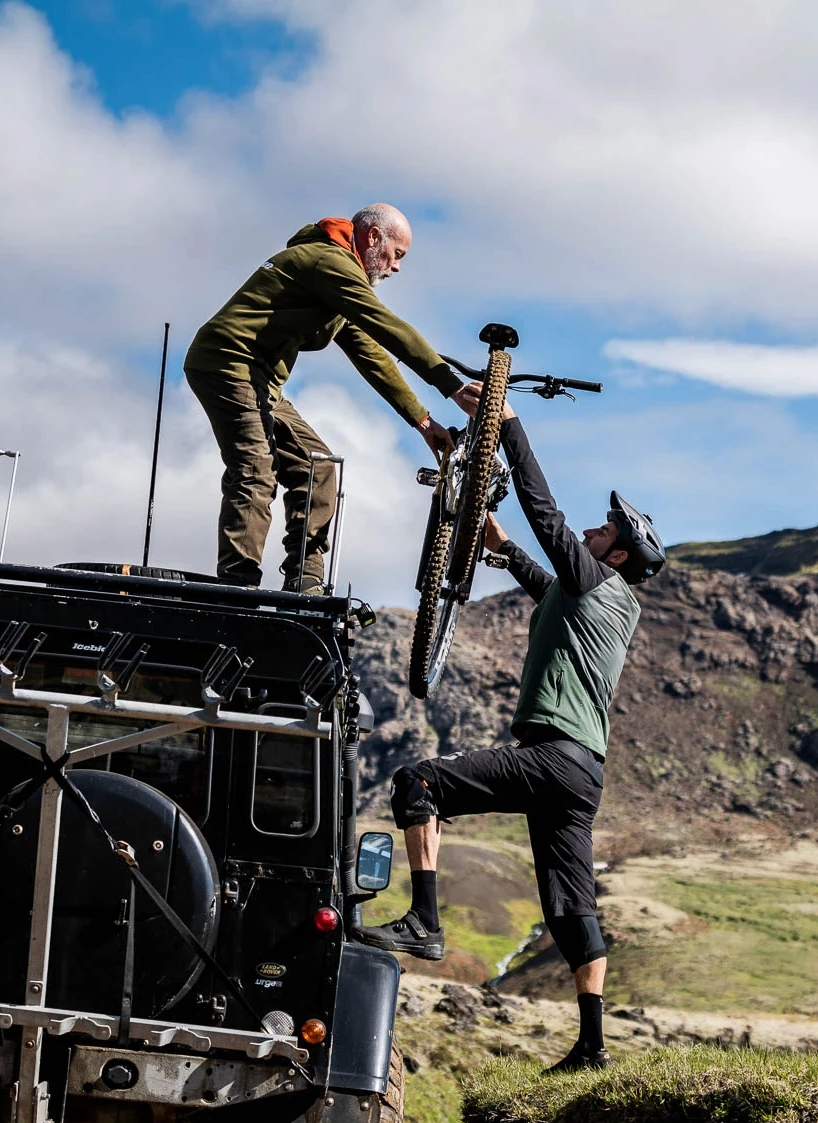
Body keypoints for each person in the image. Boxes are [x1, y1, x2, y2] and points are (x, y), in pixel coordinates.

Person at [355, 412, 665, 1073]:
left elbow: (543, 509)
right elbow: (541, 579)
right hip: (583, 773)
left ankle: (425, 922)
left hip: (552, 754)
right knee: (572, 907)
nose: (590, 528)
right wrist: (496, 545)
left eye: (603, 529)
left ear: (615, 555)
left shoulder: (597, 581)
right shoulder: (600, 598)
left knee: (418, 783)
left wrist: (510, 427)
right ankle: (592, 1045)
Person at [182, 203, 481, 592]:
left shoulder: (339, 280)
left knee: (317, 468)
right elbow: (386, 326)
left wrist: (423, 422)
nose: (396, 268)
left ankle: (305, 583)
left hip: (262, 382)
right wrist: (451, 385)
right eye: (398, 254)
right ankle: (238, 589)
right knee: (256, 469)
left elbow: (372, 353)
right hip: (227, 364)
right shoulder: (329, 263)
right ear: (373, 237)